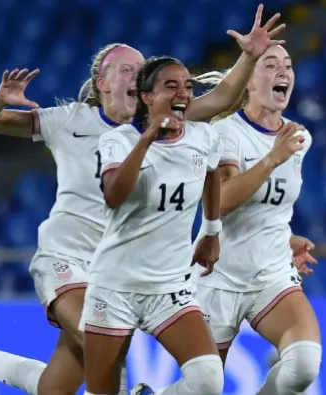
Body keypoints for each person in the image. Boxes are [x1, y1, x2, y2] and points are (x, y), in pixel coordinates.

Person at [0, 6, 283, 395]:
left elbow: (225, 96)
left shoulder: (163, 121)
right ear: (103, 81)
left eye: (140, 68)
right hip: (68, 260)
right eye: (126, 69)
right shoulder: (70, 120)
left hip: (122, 269)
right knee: (105, 350)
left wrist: (249, 56)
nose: (134, 74)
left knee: (53, 389)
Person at [80, 56, 226, 395]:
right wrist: (147, 139)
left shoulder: (204, 137)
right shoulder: (117, 141)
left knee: (208, 380)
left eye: (189, 86)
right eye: (171, 86)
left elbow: (211, 173)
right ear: (146, 96)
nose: (184, 94)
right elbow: (115, 195)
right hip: (115, 287)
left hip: (169, 287)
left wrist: (211, 230)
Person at [193, 44, 324, 394]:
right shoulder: (227, 133)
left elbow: (271, 208)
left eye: (288, 65)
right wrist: (271, 159)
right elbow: (221, 202)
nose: (283, 72)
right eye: (270, 65)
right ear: (248, 81)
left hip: (271, 275)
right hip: (218, 277)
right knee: (205, 387)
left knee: (304, 365)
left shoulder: (298, 138)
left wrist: (285, 237)